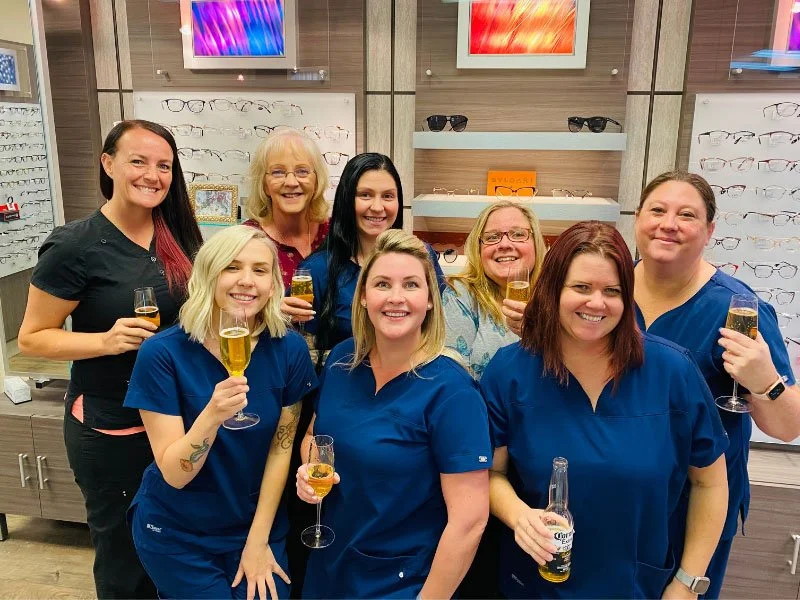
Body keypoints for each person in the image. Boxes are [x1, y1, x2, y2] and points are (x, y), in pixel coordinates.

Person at [481, 221, 729, 599]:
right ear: (552, 290)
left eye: (611, 291)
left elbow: (710, 483)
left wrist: (688, 583)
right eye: (581, 287)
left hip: (637, 585)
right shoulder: (510, 371)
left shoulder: (672, 373)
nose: (596, 303)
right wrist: (520, 516)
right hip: (537, 583)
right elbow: (490, 475)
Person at [17, 120, 203, 598]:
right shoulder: (75, 244)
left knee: (171, 545)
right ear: (108, 164)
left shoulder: (178, 235)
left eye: (164, 165)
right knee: (125, 556)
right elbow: (34, 338)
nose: (152, 175)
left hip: (177, 420)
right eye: (137, 161)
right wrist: (105, 341)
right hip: (112, 424)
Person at [295, 229, 490, 598]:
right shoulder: (340, 361)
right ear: (364, 297)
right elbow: (314, 439)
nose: (395, 298)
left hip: (401, 582)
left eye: (412, 285)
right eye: (382, 284)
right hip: (329, 570)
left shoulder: (452, 392)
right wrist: (309, 472)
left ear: (431, 300)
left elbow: (469, 522)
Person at [125, 225, 317, 599]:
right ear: (209, 275)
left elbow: (281, 449)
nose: (247, 281)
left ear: (274, 283)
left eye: (260, 270)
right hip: (179, 533)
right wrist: (212, 415)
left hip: (254, 524)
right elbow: (175, 475)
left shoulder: (289, 349)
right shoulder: (162, 355)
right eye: (232, 267)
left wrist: (258, 541)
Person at [633, 170, 800, 598]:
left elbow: (787, 427)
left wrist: (766, 382)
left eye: (686, 215)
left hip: (696, 508)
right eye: (657, 210)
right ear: (637, 219)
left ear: (709, 231)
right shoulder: (608, 293)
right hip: (622, 496)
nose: (668, 223)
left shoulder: (739, 308)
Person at [280, 153, 445, 358]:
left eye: (387, 196)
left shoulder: (422, 255)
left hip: (415, 379)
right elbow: (295, 343)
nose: (377, 207)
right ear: (346, 200)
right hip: (344, 381)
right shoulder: (317, 270)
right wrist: (278, 316)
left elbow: (441, 325)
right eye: (365, 195)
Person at [443, 200, 545, 379]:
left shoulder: (557, 295)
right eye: (492, 237)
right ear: (478, 248)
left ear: (536, 243)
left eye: (518, 234)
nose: (504, 244)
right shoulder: (460, 293)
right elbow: (452, 375)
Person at [242, 128, 330, 289]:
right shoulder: (244, 241)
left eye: (302, 171)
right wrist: (273, 309)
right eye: (278, 172)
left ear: (317, 180)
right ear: (264, 185)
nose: (291, 182)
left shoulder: (336, 234)